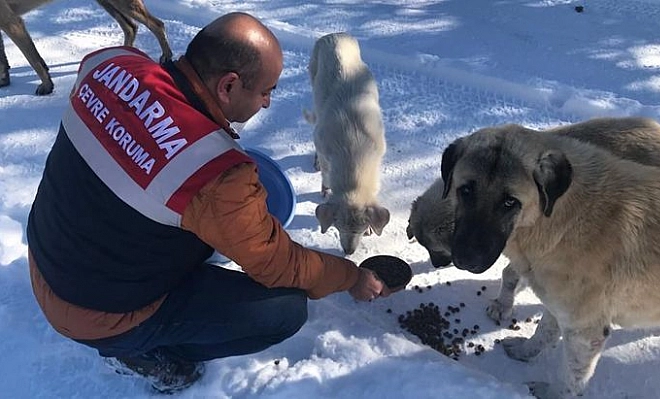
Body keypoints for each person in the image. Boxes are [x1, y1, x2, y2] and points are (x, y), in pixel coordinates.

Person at [26, 12, 389, 394]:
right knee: (284, 311)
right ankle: (144, 353)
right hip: (95, 313)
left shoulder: (110, 64)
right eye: (266, 91)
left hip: (48, 257)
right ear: (228, 85)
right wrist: (351, 276)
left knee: (199, 227)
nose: (266, 103)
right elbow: (280, 264)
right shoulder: (214, 174)